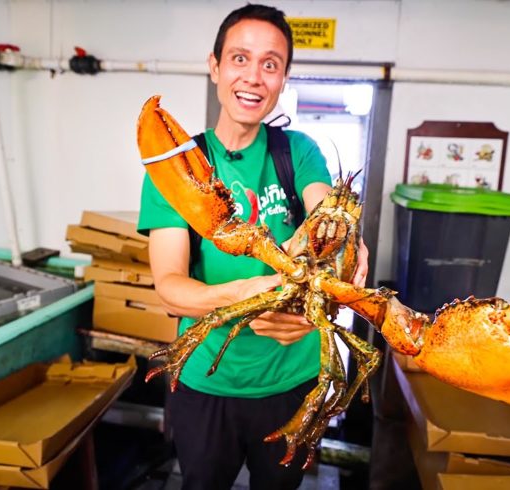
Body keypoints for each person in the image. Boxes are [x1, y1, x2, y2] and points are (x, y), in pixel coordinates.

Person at [137, 4, 368, 489]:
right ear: (215, 66)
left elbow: (324, 205)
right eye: (240, 58)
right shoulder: (178, 168)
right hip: (206, 384)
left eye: (271, 64)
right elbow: (170, 287)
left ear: (283, 78)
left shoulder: (298, 151)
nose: (255, 76)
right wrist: (245, 293)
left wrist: (345, 238)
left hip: (293, 382)